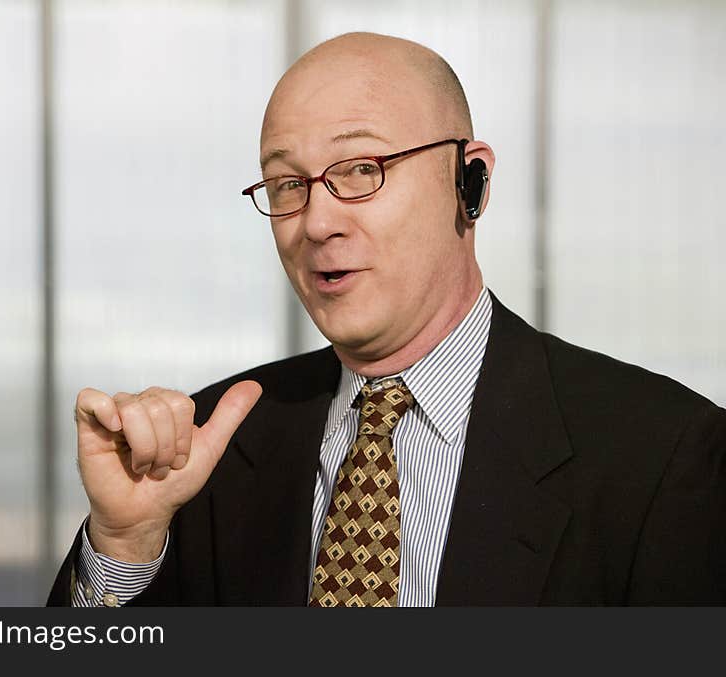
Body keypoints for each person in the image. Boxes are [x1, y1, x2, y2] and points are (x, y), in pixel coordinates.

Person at [47, 32, 725, 607]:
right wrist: (125, 545)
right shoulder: (201, 452)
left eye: (362, 169)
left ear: (471, 182)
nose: (316, 222)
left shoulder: (662, 455)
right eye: (288, 184)